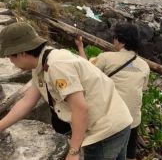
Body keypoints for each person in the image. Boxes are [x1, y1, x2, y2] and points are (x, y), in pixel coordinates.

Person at [0, 22, 133, 160]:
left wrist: (73, 151)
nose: (10, 62)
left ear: (21, 52)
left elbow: (80, 108)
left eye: (10, 56)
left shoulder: (57, 65)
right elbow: (26, 102)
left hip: (104, 131)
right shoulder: (42, 62)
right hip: (118, 122)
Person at [76, 23, 150, 160]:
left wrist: (80, 47)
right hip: (133, 120)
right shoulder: (144, 65)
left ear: (119, 40)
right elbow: (142, 89)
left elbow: (85, 71)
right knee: (128, 155)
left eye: (114, 38)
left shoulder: (106, 57)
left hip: (112, 119)